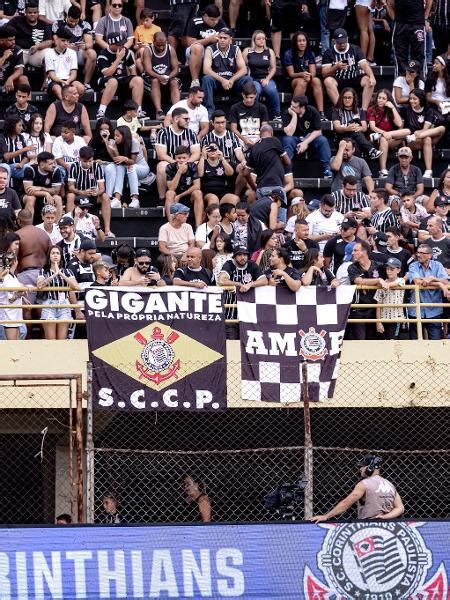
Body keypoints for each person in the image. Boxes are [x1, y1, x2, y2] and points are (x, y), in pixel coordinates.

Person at [311, 454, 404, 522]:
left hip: (367, 526)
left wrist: (326, 516)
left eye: (363, 466)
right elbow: (400, 508)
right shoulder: (390, 485)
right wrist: (384, 517)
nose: (360, 469)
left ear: (370, 467)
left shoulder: (364, 484)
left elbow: (346, 503)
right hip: (387, 527)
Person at [201, 27, 252, 118]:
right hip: (217, 82)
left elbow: (243, 69)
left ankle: (246, 108)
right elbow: (206, 70)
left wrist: (231, 80)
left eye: (225, 38)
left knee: (247, 79)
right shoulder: (210, 49)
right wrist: (222, 80)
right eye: (220, 38)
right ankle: (209, 109)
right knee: (206, 79)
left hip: (232, 83)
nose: (222, 40)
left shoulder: (235, 49)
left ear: (230, 39)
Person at [321, 28, 376, 111]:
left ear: (347, 39)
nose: (342, 44)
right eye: (339, 43)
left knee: (369, 80)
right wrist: (336, 67)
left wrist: (372, 76)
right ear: (334, 41)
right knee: (327, 81)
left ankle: (364, 110)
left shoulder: (355, 49)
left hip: (353, 77)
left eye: (344, 42)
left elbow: (364, 64)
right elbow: (324, 73)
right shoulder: (329, 52)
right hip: (338, 80)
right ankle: (340, 110)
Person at [218, 246, 267, 338]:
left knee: (248, 345)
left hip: (248, 314)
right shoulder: (229, 264)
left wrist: (249, 285)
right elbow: (221, 280)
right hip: (231, 312)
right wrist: (239, 284)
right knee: (232, 343)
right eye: (239, 255)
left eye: (245, 254)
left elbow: (264, 280)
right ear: (234, 256)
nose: (242, 257)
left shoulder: (252, 265)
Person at [155, 107, 200, 202]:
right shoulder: (163, 133)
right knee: (161, 166)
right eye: (185, 119)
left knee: (198, 164)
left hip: (187, 162)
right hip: (171, 163)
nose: (188, 121)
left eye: (189, 119)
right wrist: (176, 164)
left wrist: (186, 164)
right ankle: (162, 199)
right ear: (176, 119)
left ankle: (195, 196)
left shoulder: (191, 133)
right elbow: (161, 155)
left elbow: (196, 153)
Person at [96, 33, 145, 120]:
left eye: (122, 44)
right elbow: (107, 73)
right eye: (119, 45)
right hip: (105, 81)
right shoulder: (103, 54)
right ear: (111, 44)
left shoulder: (126, 51)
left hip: (122, 80)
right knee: (113, 81)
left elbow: (133, 72)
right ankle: (101, 111)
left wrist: (132, 84)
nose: (122, 46)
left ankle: (138, 111)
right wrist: (118, 58)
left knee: (138, 80)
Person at [67, 145, 113, 237]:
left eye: (90, 161)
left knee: (105, 196)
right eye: (85, 161)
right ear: (80, 158)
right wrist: (82, 192)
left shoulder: (97, 166)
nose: (88, 164)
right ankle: (71, 228)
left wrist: (97, 192)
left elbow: (102, 188)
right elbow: (70, 187)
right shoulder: (74, 166)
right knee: (70, 196)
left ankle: (107, 230)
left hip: (93, 196)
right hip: (79, 197)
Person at [346, 240, 389, 339]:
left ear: (364, 252)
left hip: (376, 309)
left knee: (374, 340)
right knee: (361, 340)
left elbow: (396, 270)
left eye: (355, 250)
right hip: (358, 309)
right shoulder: (352, 267)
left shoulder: (379, 266)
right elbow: (358, 281)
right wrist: (378, 280)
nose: (353, 253)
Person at [282, 95, 332, 179]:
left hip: (309, 139)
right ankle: (287, 169)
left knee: (323, 140)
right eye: (291, 105)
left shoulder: (312, 111)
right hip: (295, 139)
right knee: (287, 140)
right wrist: (294, 116)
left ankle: (327, 170)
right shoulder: (288, 112)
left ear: (302, 107)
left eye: (294, 107)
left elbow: (318, 131)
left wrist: (305, 142)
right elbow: (289, 133)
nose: (291, 107)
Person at [36, 245, 78, 340]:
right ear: (49, 256)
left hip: (64, 305)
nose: (55, 255)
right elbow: (39, 286)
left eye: (58, 253)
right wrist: (54, 275)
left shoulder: (68, 271)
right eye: (53, 253)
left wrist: (61, 274)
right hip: (49, 304)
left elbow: (75, 286)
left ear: (61, 257)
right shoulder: (43, 271)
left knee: (61, 340)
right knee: (51, 341)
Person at [407, 244, 449, 339]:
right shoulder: (413, 265)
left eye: (422, 253)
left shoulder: (437, 265)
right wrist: (438, 283)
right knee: (416, 343)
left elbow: (446, 281)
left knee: (436, 342)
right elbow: (417, 282)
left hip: (434, 310)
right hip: (416, 311)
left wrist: (432, 278)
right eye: (418, 252)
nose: (418, 255)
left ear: (429, 255)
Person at [104, 126, 151, 210]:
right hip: (127, 167)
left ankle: (135, 199)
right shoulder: (116, 143)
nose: (115, 138)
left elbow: (133, 161)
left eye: (117, 136)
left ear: (124, 135)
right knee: (119, 167)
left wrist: (125, 159)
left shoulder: (134, 142)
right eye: (114, 135)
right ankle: (117, 199)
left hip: (141, 167)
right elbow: (117, 160)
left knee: (131, 167)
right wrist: (113, 150)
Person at [52, 5, 96, 92]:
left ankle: (86, 84)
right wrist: (68, 47)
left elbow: (90, 43)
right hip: (63, 51)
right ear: (67, 16)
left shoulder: (84, 24)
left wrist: (84, 46)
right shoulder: (58, 24)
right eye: (71, 21)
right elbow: (56, 41)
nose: (73, 24)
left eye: (76, 21)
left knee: (92, 53)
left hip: (78, 51)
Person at [246, 124, 291, 210]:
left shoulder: (254, 147)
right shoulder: (274, 141)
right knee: (279, 220)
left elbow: (245, 173)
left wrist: (254, 187)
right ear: (271, 133)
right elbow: (287, 162)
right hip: (275, 188)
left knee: (264, 219)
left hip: (261, 189)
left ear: (260, 134)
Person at [404, 88, 446, 178]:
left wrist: (417, 134)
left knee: (442, 128)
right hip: (412, 142)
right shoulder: (407, 110)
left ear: (421, 99)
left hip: (424, 136)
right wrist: (415, 135)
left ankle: (428, 172)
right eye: (410, 98)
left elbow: (425, 129)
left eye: (414, 99)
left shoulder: (428, 110)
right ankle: (428, 170)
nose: (411, 101)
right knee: (427, 139)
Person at [332, 87, 383, 161]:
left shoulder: (360, 111)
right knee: (353, 126)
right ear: (341, 99)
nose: (347, 100)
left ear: (354, 99)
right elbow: (337, 128)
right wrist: (347, 128)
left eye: (349, 98)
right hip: (341, 138)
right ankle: (370, 150)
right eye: (345, 97)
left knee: (355, 144)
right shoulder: (337, 111)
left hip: (355, 137)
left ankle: (356, 169)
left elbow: (364, 127)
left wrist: (357, 128)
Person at [283, 31, 324, 118]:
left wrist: (310, 76)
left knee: (316, 80)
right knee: (302, 82)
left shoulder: (310, 53)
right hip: (294, 80)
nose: (302, 43)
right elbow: (291, 74)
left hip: (307, 78)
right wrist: (302, 74)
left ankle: (321, 112)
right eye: (299, 41)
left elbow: (313, 72)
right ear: (295, 43)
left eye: (304, 40)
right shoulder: (288, 54)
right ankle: (293, 110)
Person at [242, 30, 281, 120]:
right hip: (253, 79)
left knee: (271, 90)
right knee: (256, 91)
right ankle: (253, 114)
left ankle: (277, 115)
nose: (261, 40)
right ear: (254, 40)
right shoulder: (247, 51)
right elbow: (243, 67)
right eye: (259, 39)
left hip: (266, 78)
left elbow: (273, 68)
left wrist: (267, 79)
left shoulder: (269, 51)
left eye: (263, 38)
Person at [184, 3, 225, 87]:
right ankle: (195, 81)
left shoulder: (221, 23)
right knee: (197, 47)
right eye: (212, 19)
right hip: (197, 53)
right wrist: (209, 40)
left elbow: (229, 39)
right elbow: (189, 43)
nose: (215, 22)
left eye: (217, 19)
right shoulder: (195, 21)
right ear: (205, 16)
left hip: (214, 53)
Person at [142, 31, 180, 121]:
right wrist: (159, 77)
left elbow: (176, 68)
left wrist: (168, 77)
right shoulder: (148, 50)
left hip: (167, 77)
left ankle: (177, 110)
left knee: (174, 82)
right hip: (152, 77)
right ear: (153, 41)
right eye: (158, 45)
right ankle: (159, 111)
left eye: (163, 45)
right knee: (155, 81)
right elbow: (148, 70)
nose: (161, 47)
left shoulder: (170, 49)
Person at [387, 0, 429, 77]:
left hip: (417, 23)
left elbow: (429, 1)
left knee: (419, 55)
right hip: (400, 24)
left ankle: (419, 83)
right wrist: (396, 20)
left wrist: (425, 18)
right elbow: (389, 3)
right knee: (400, 56)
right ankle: (400, 84)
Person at [165, 145, 203, 226]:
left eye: (184, 158)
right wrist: (179, 172)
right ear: (175, 158)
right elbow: (171, 188)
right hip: (174, 197)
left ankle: (198, 227)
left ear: (188, 157)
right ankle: (172, 224)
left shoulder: (192, 166)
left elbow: (197, 186)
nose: (181, 160)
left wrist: (180, 196)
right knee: (169, 193)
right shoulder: (170, 167)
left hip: (189, 195)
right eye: (179, 158)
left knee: (198, 193)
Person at [44, 26, 85, 101]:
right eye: (63, 40)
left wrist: (68, 82)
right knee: (57, 88)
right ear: (56, 38)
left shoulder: (72, 53)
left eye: (67, 41)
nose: (66, 43)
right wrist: (62, 82)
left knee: (81, 88)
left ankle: (73, 105)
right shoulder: (48, 53)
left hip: (69, 80)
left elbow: (74, 73)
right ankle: (66, 105)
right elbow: (52, 75)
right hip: (55, 81)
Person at [9, 1, 53, 67]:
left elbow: (49, 41)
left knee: (50, 54)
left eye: (35, 12)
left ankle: (47, 77)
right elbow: (5, 31)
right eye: (30, 12)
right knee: (13, 62)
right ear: (25, 12)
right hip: (21, 51)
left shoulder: (44, 24)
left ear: (38, 13)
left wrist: (38, 46)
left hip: (37, 52)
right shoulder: (17, 20)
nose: (32, 14)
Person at [22, 151, 64, 220]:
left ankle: (56, 226)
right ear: (42, 164)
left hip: (48, 195)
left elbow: (56, 191)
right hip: (29, 195)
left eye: (54, 163)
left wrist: (40, 188)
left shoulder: (56, 170)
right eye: (50, 164)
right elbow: (28, 190)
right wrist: (45, 193)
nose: (54, 165)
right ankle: (29, 226)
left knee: (58, 198)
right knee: (31, 198)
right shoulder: (30, 169)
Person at [229, 81, 269, 148]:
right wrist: (244, 139)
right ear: (242, 95)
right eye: (246, 97)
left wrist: (258, 139)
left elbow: (264, 128)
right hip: (241, 138)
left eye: (251, 97)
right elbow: (233, 129)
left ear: (256, 95)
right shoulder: (235, 108)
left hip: (258, 137)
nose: (249, 100)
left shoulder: (262, 107)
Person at [375, 256, 406, 339]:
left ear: (398, 270)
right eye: (387, 269)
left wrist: (387, 285)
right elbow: (378, 304)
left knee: (393, 341)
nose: (388, 272)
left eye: (392, 269)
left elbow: (399, 282)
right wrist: (378, 322)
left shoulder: (401, 280)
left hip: (396, 318)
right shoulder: (382, 284)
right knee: (384, 342)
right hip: (383, 318)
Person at [0, 252, 27, 339]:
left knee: (16, 343)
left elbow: (19, 288)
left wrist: (21, 291)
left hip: (15, 314)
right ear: (15, 262)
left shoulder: (12, 276)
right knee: (12, 344)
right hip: (9, 316)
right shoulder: (7, 277)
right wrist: (21, 291)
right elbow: (11, 298)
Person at [0, 116, 33, 182]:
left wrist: (21, 164)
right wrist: (24, 149)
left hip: (18, 167)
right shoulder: (2, 138)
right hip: (3, 166)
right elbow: (6, 156)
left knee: (29, 169)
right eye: (19, 125)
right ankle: (6, 191)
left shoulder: (21, 137)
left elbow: (25, 156)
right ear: (12, 126)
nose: (22, 128)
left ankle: (28, 190)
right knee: (6, 168)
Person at [0, 25, 27, 93]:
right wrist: (4, 57)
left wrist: (10, 78)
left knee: (23, 79)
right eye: (10, 40)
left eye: (14, 39)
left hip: (9, 82)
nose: (13, 42)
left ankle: (26, 103)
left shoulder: (17, 50)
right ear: (1, 40)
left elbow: (20, 70)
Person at [134, 8, 161, 72]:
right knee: (142, 50)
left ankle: (147, 73)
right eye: (143, 21)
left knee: (138, 62)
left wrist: (149, 45)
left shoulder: (157, 29)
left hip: (153, 51)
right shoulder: (138, 29)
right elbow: (135, 47)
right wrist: (138, 46)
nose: (144, 23)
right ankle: (147, 74)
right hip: (140, 51)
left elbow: (160, 45)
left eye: (147, 20)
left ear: (152, 19)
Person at [0, 165, 21, 230]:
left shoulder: (12, 192)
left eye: (4, 178)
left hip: (9, 230)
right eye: (0, 178)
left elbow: (18, 210)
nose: (2, 180)